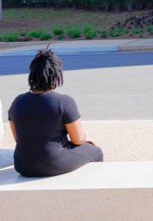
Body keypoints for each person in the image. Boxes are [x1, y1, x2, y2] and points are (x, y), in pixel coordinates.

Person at [7, 48, 103, 178]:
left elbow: (19, 139)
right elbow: (78, 139)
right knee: (96, 151)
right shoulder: (64, 102)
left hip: (22, 165)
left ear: (32, 75)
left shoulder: (17, 102)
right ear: (56, 77)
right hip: (54, 163)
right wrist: (87, 140)